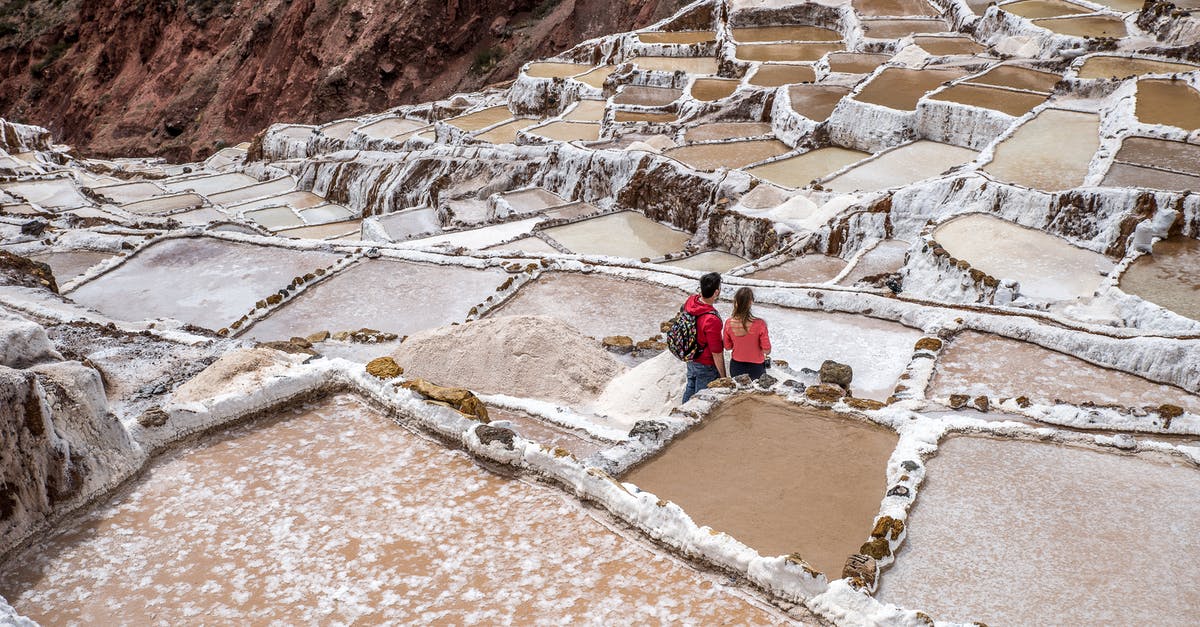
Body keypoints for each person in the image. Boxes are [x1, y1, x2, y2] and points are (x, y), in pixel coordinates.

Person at [681, 272, 726, 403]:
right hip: (705, 363)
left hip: (690, 356)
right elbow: (716, 352)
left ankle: (681, 416)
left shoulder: (691, 301)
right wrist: (723, 376)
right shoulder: (712, 319)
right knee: (701, 399)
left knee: (690, 387)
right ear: (716, 292)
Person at [723, 287, 771, 380]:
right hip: (756, 368)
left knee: (739, 393)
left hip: (736, 366)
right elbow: (767, 350)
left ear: (736, 302)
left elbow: (727, 347)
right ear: (751, 302)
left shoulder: (729, 323)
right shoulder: (760, 324)